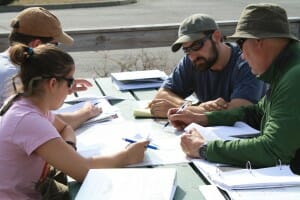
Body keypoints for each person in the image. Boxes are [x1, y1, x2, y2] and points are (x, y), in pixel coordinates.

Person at [0, 43, 150, 199]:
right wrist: (127, 156)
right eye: (70, 82)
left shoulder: (26, 104)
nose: (71, 90)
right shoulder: (29, 120)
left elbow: (65, 127)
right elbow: (84, 172)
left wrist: (68, 148)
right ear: (52, 83)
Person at [168, 3, 300, 168]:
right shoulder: (286, 69)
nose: (243, 56)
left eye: (241, 43)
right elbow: (255, 113)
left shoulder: (295, 76)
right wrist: (202, 118)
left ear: (258, 41)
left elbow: (273, 150)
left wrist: (204, 149)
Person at [0, 7, 100, 129]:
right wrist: (86, 113)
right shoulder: (15, 75)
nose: (57, 50)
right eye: (55, 44)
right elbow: (41, 124)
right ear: (36, 45)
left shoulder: (6, 62)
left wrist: (62, 84)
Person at [149, 14, 266, 118]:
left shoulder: (246, 62)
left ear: (216, 36)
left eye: (197, 46)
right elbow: (162, 94)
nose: (193, 56)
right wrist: (187, 105)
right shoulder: (192, 61)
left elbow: (239, 111)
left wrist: (181, 111)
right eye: (186, 50)